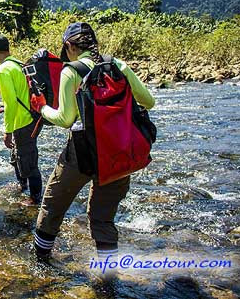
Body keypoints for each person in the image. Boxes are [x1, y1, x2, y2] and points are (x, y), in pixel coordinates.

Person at [30, 22, 155, 263]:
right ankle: (108, 276)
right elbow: (148, 102)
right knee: (103, 218)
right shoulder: (118, 65)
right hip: (118, 152)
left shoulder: (71, 71)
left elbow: (65, 119)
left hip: (81, 153)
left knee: (52, 207)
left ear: (69, 46)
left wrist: (42, 107)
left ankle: (41, 262)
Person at [0, 35, 43, 206]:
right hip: (33, 117)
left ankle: (35, 198)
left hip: (22, 121)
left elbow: (11, 101)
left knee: (28, 158)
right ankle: (23, 187)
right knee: (19, 155)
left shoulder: (4, 69)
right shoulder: (19, 64)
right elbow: (21, 95)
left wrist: (7, 131)